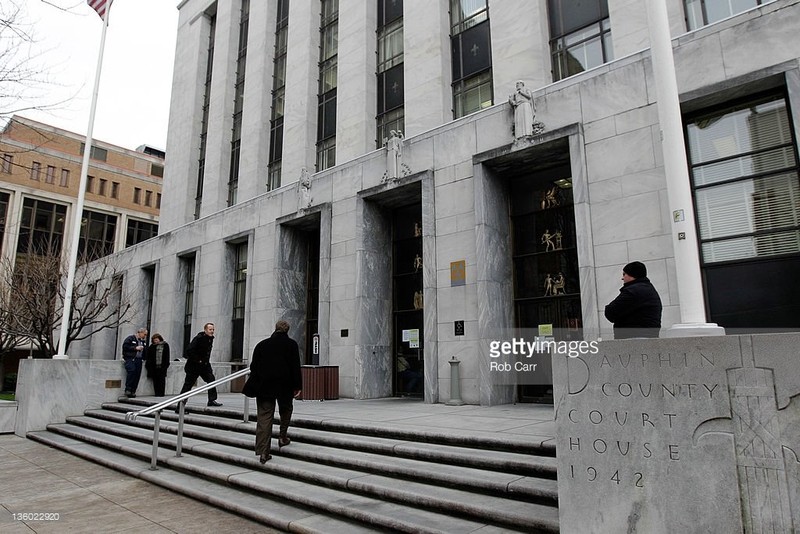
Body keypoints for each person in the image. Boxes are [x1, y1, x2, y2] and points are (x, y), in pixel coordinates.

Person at [249, 320, 302, 464]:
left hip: (264, 386)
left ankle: (263, 452)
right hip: (285, 386)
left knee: (264, 418)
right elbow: (295, 367)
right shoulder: (291, 345)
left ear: (275, 329)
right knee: (286, 410)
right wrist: (297, 387)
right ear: (287, 330)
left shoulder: (262, 345)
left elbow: (253, 367)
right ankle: (282, 436)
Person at [604, 261, 662, 339]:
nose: (622, 278)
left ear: (632, 275)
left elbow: (611, 312)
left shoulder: (633, 291)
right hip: (647, 338)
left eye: (624, 274)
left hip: (634, 339)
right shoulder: (648, 289)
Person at [176, 322, 222, 410]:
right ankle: (180, 407)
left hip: (204, 366)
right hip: (194, 366)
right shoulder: (199, 338)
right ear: (205, 330)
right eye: (210, 329)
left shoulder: (210, 338)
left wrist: (204, 362)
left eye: (213, 329)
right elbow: (189, 351)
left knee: (211, 379)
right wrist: (198, 360)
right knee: (188, 386)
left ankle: (211, 400)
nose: (212, 331)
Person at [121, 328, 148, 398]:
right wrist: (135, 348)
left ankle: (133, 391)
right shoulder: (130, 338)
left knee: (137, 375)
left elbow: (145, 351)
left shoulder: (143, 341)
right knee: (131, 371)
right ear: (140, 333)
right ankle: (128, 389)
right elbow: (125, 347)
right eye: (144, 334)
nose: (145, 336)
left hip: (139, 360)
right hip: (131, 359)